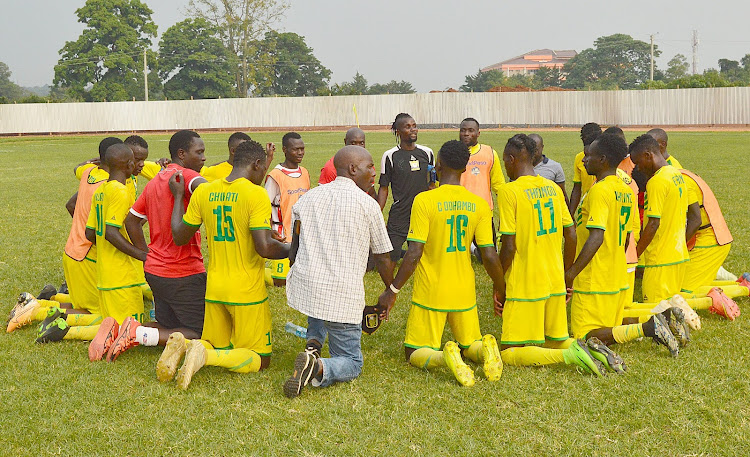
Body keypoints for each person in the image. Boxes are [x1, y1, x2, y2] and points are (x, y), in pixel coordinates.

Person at [162, 140, 289, 390]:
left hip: (215, 289)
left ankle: (186, 345)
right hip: (246, 291)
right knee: (260, 360)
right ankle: (204, 357)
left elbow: (179, 235)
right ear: (257, 164)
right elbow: (264, 247)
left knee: (218, 343)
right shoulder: (255, 194)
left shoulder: (204, 191)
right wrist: (294, 249)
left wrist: (179, 197)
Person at [377, 140, 506, 387]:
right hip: (464, 290)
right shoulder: (478, 205)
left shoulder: (425, 201)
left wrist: (392, 290)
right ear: (466, 167)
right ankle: (484, 351)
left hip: (431, 291)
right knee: (471, 345)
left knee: (413, 352)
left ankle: (446, 357)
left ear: (438, 164)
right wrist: (501, 287)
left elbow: (414, 252)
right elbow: (488, 254)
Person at [282, 145, 394, 398]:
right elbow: (383, 256)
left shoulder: (308, 197)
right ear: (353, 169)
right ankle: (318, 365)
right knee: (352, 362)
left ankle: (313, 344)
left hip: (307, 285)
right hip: (342, 295)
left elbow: (296, 246)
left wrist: (296, 272)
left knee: (318, 289)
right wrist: (391, 290)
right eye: (370, 167)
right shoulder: (368, 205)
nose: (374, 172)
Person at [496, 134, 608, 376]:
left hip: (526, 282)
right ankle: (595, 351)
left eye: (506, 162)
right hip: (554, 280)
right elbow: (572, 235)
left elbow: (509, 246)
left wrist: (499, 281)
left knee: (508, 351)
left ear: (511, 159)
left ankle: (569, 356)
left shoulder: (509, 191)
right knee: (556, 338)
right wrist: (567, 276)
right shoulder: (553, 189)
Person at [565, 133, 681, 361]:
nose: (584, 160)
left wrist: (571, 273)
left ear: (603, 160)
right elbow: (628, 238)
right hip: (616, 273)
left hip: (595, 276)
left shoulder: (600, 190)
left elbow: (596, 237)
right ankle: (659, 321)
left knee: (583, 337)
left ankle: (648, 328)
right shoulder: (625, 189)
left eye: (589, 156)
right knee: (610, 326)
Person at [36, 144, 149, 358]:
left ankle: (62, 323)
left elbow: (90, 233)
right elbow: (110, 232)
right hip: (122, 274)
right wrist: (142, 254)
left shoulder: (101, 191)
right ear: (129, 164)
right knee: (129, 326)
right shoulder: (121, 191)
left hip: (104, 273)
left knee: (108, 321)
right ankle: (66, 331)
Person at [106, 130, 209, 362]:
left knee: (168, 325)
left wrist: (147, 254)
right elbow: (207, 190)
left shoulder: (154, 182)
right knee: (201, 332)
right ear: (181, 154)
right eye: (199, 152)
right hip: (183, 273)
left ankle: (119, 330)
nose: (204, 158)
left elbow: (132, 221)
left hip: (155, 272)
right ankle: (135, 333)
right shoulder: (186, 176)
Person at [7, 138, 123, 332]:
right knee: (100, 315)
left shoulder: (88, 172)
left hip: (72, 251)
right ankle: (35, 311)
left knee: (82, 307)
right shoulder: (109, 186)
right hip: (87, 255)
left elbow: (72, 197)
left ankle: (40, 301)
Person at [629, 134, 693, 303]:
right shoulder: (676, 174)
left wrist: (635, 255)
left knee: (655, 313)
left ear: (648, 155)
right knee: (670, 308)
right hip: (678, 255)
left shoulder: (656, 182)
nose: (638, 169)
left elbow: (653, 224)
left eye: (638, 163)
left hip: (660, 260)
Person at [378, 113, 435, 262]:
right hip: (400, 213)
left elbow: (432, 184)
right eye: (408, 127)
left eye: (414, 126)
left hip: (421, 212)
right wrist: (377, 212)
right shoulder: (390, 156)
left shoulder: (427, 153)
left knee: (423, 257)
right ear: (398, 131)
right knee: (390, 257)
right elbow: (384, 187)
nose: (413, 129)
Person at [265, 132, 310, 287]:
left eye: (302, 149)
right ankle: (262, 272)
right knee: (281, 282)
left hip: (302, 236)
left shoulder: (304, 172)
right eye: (295, 149)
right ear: (284, 149)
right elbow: (263, 206)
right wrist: (268, 230)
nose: (300, 153)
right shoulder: (275, 176)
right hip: (283, 238)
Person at [458, 118, 505, 262]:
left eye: (470, 131)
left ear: (478, 133)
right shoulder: (452, 151)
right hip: (459, 210)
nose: (466, 134)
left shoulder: (489, 153)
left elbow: (498, 184)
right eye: (463, 130)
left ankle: (474, 248)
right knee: (457, 256)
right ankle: (469, 247)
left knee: (487, 258)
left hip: (483, 211)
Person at [569, 122, 602, 214]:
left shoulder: (608, 158)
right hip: (586, 208)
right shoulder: (579, 158)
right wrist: (571, 214)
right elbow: (577, 187)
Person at [529, 133, 567, 203]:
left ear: (542, 147)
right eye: (530, 149)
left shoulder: (555, 167)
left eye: (536, 150)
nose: (533, 153)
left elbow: (562, 195)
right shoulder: (519, 167)